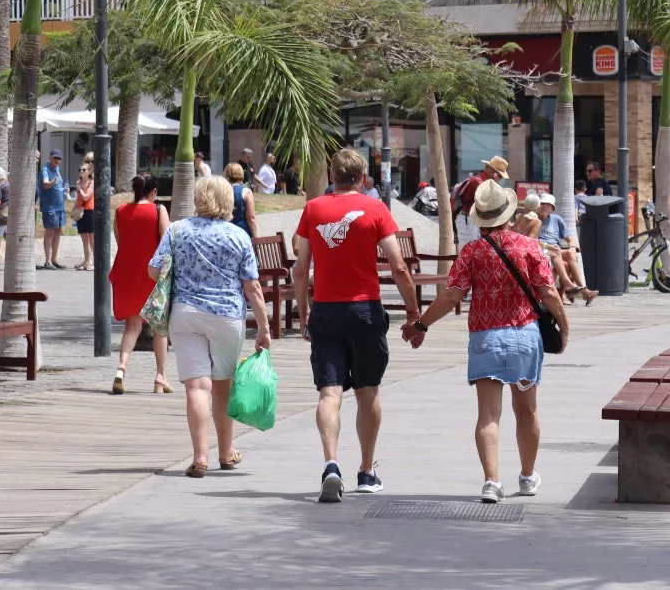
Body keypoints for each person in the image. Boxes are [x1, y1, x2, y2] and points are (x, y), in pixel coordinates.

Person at [401, 179, 570, 503]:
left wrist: (421, 325)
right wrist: (563, 325)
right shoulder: (529, 247)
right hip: (524, 337)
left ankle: (491, 482)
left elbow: (451, 296)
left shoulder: (472, 252)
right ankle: (527, 476)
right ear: (508, 213)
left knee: (488, 415)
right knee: (527, 412)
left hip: (486, 337)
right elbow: (548, 292)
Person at [292, 148, 422, 502]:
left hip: (326, 312)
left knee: (329, 392)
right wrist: (414, 314)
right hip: (365, 310)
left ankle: (331, 464)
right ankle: (366, 471)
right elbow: (398, 267)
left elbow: (301, 269)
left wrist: (304, 313)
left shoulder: (314, 209)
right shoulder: (376, 209)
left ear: (332, 176)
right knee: (368, 391)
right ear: (364, 179)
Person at [148, 174, 271, 478]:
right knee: (223, 385)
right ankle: (226, 452)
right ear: (228, 200)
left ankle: (200, 456)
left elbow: (153, 270)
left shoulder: (177, 230)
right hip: (227, 316)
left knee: (196, 385)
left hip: (185, 313)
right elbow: (252, 286)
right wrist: (265, 327)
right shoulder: (238, 235)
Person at [111, 173, 171, 395]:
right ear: (153, 192)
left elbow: (120, 241)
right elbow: (166, 242)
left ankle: (121, 368)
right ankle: (160, 377)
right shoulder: (158, 210)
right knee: (158, 327)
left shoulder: (120, 211)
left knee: (132, 326)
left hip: (127, 273)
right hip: (152, 275)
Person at [533, 193, 594, 304]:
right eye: (543, 204)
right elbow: (533, 240)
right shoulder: (534, 219)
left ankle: (575, 292)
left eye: (548, 204)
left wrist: (571, 247)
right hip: (542, 249)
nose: (545, 206)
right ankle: (579, 291)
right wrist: (549, 246)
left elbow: (570, 239)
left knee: (571, 255)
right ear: (538, 205)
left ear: (552, 208)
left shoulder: (556, 219)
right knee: (567, 260)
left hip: (556, 251)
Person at [455, 157, 510, 248]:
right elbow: (490, 199)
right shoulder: (478, 182)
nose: (499, 179)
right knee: (467, 251)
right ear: (492, 171)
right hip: (467, 220)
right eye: (499, 176)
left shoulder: (486, 182)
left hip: (474, 221)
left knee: (475, 251)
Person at [38, 149, 66, 270]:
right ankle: (48, 261)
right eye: (55, 158)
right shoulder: (45, 170)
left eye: (59, 158)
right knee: (50, 232)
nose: (57, 160)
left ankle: (54, 260)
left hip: (60, 206)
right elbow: (45, 184)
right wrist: (52, 183)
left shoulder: (57, 169)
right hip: (50, 207)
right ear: (50, 158)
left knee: (58, 231)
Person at [75, 158, 96, 271]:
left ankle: (93, 260)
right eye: (80, 170)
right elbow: (78, 199)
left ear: (89, 171)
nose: (81, 172)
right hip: (81, 212)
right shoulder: (79, 182)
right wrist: (74, 209)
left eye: (84, 170)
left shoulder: (92, 183)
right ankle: (87, 260)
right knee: (84, 239)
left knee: (92, 239)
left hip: (89, 211)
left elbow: (86, 196)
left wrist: (79, 189)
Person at [225, 163, 256, 237]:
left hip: (226, 232)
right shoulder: (246, 192)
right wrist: (256, 236)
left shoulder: (222, 190)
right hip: (242, 232)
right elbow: (251, 218)